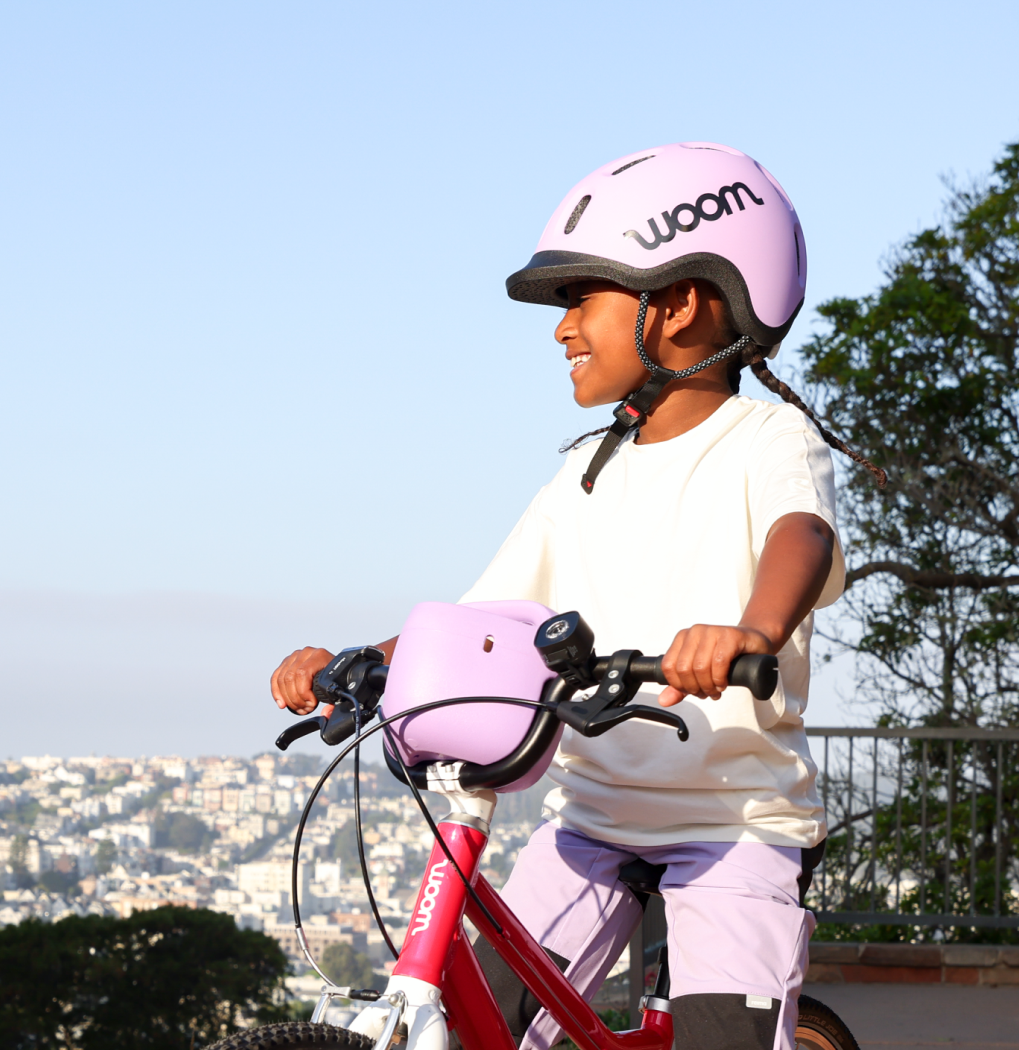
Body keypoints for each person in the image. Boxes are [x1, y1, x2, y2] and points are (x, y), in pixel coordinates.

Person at [268, 143, 885, 1050]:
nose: (562, 330)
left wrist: (751, 629)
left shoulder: (768, 439)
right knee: (483, 1016)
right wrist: (360, 659)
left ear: (677, 303)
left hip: (732, 823)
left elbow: (804, 535)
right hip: (591, 819)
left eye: (581, 300)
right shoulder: (583, 475)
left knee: (725, 1039)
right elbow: (474, 623)